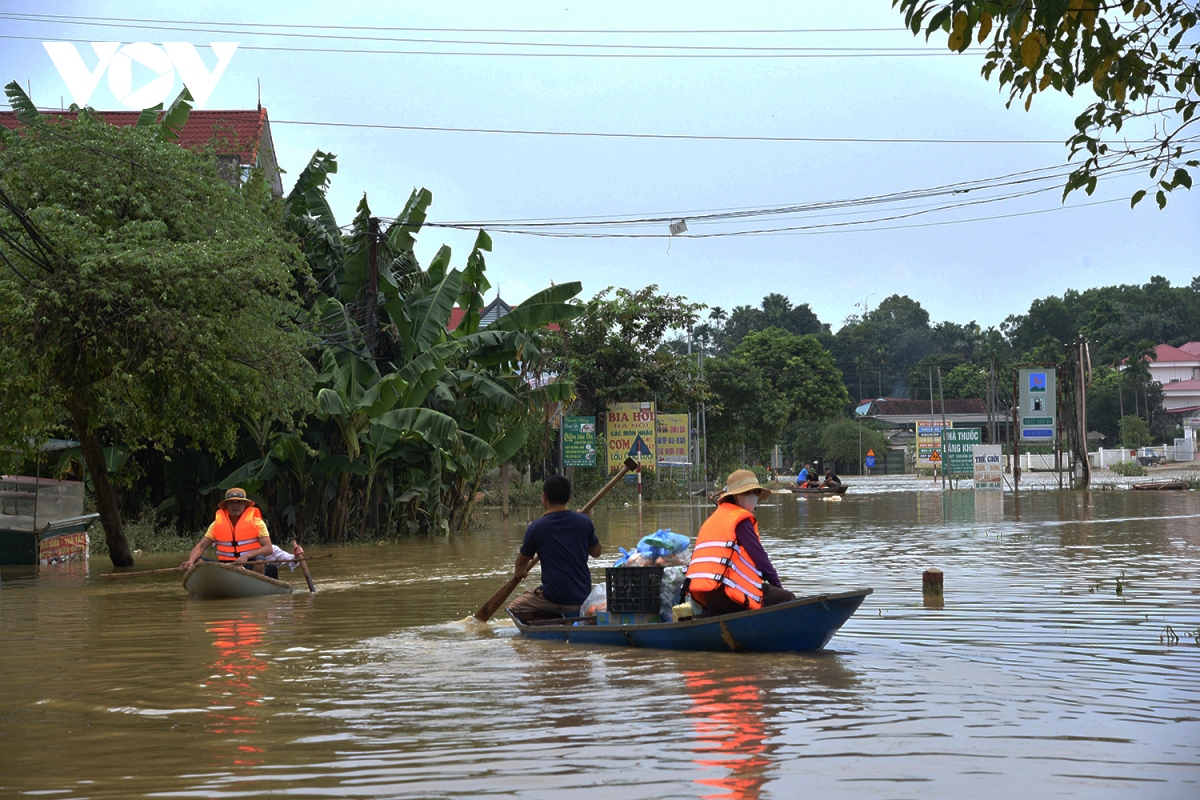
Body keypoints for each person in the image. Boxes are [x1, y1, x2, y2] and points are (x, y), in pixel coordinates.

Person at [686, 469, 796, 614]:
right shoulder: (740, 520)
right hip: (728, 593)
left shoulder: (713, 518)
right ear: (736, 496)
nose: (753, 497)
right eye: (748, 493)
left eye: (756, 493)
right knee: (787, 598)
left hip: (709, 596)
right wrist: (778, 586)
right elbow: (762, 560)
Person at [507, 475, 602, 622]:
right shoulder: (583, 521)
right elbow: (597, 552)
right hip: (583, 595)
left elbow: (522, 560)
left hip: (555, 597)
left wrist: (520, 572)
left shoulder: (536, 527)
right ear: (569, 498)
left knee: (514, 608)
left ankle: (553, 620)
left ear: (544, 497)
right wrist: (585, 523)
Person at [179, 488, 288, 579]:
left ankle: (254, 587)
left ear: (245, 504)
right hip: (226, 565)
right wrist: (190, 561)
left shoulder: (257, 522)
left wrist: (246, 556)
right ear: (226, 505)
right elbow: (201, 547)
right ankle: (213, 585)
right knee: (198, 560)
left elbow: (268, 548)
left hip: (249, 564)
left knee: (260, 561)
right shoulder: (217, 524)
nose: (235, 505)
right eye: (231, 502)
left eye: (239, 502)